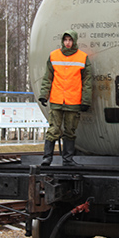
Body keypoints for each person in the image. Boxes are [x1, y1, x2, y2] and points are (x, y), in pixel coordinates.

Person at [39, 30, 92, 166]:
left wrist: (86, 101)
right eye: (65, 40)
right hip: (56, 100)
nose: (68, 43)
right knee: (53, 130)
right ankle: (47, 158)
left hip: (73, 101)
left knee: (70, 131)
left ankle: (68, 160)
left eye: (70, 40)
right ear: (62, 41)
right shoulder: (54, 55)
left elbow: (87, 81)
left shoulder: (82, 57)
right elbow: (47, 78)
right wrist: (44, 95)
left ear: (74, 41)